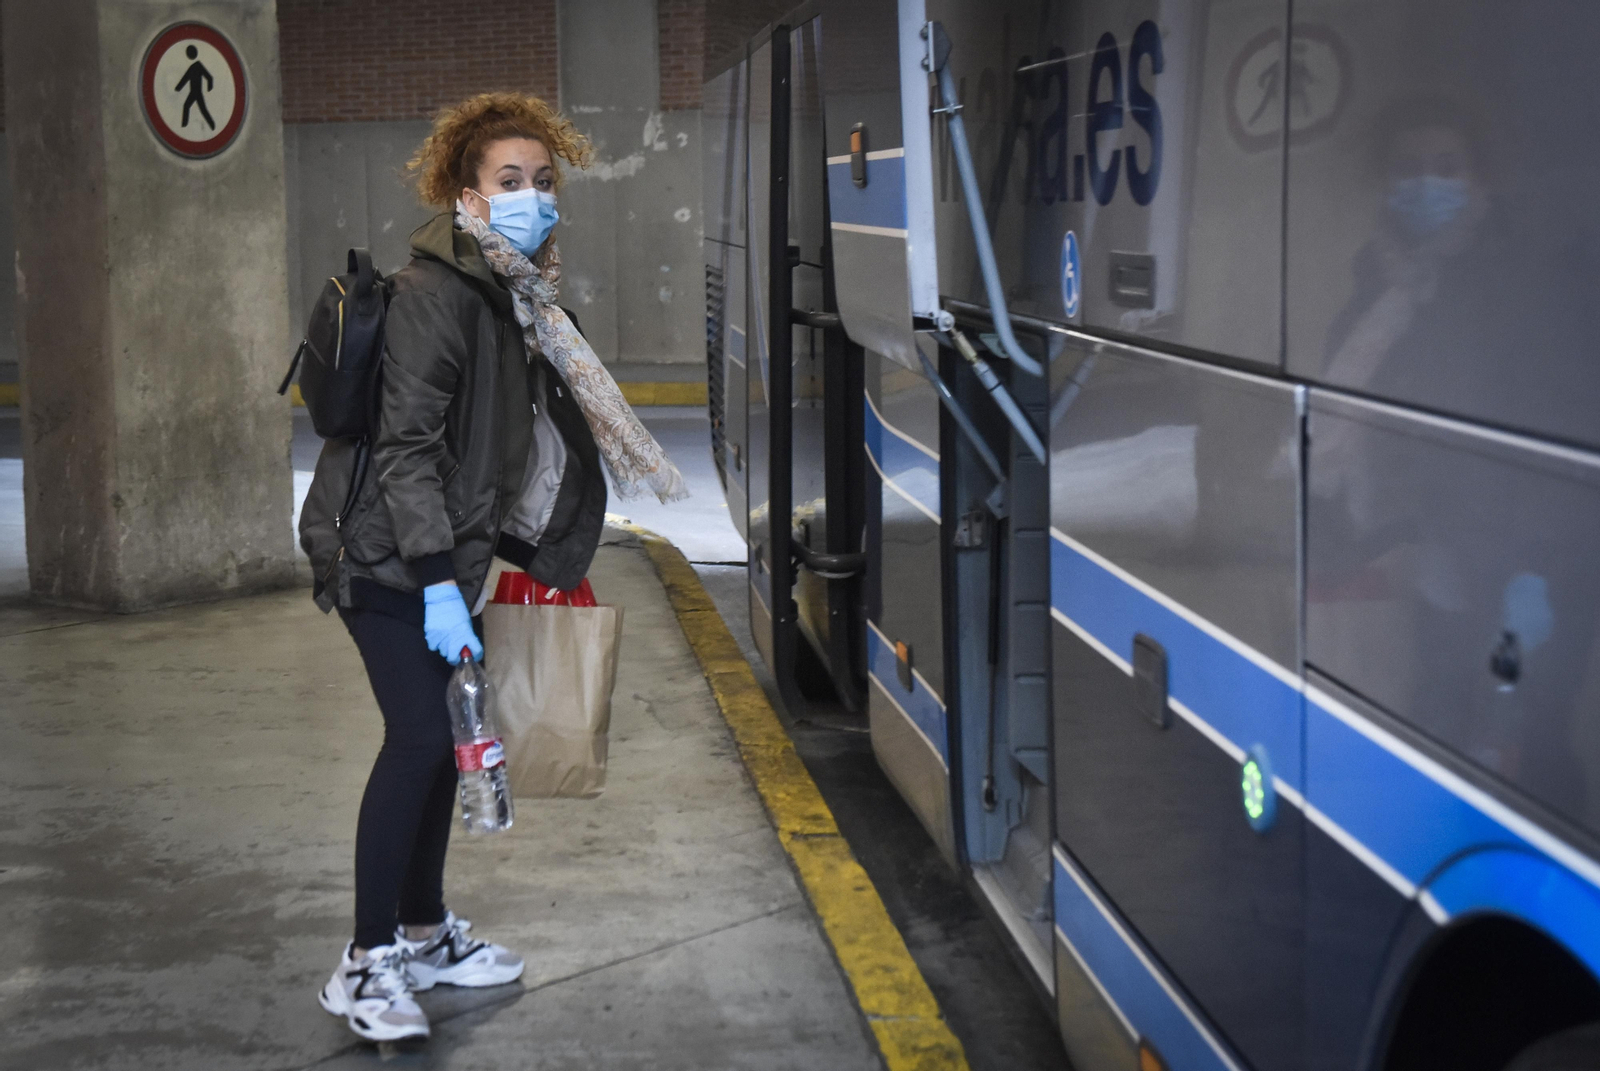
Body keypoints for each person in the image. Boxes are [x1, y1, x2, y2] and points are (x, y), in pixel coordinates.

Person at [299, 91, 687, 1043]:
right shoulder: (436, 295)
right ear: (466, 197)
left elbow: (507, 450)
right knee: (423, 744)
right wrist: (435, 578)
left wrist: (512, 555)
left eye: (543, 182)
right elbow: (406, 450)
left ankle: (425, 931)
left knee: (442, 743)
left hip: (439, 552)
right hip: (383, 552)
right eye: (508, 182)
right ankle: (364, 959)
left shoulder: (516, 298)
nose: (532, 198)